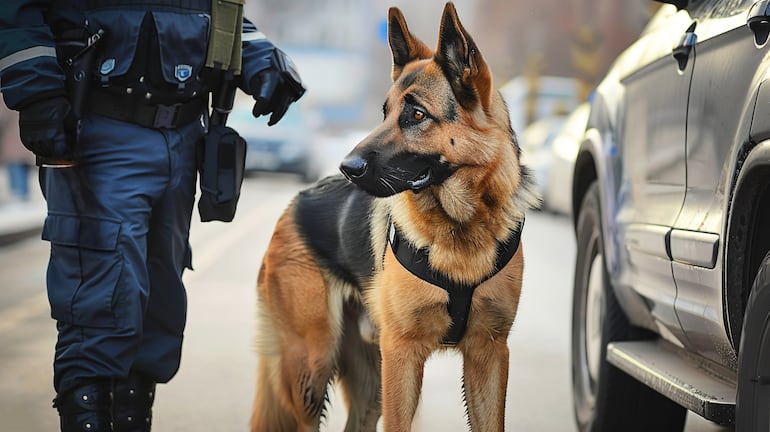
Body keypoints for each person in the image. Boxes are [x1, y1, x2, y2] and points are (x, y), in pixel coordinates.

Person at [0, 1, 305, 431]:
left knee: (156, 310)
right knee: (101, 303)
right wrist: (37, 94)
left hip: (183, 137)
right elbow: (16, 12)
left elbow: (216, 11)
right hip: (101, 131)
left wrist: (260, 58)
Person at [0, 103, 35, 203]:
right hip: (27, 144)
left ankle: (21, 199)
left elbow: (2, 117)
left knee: (18, 191)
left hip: (13, 146)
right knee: (23, 179)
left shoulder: (4, 95)